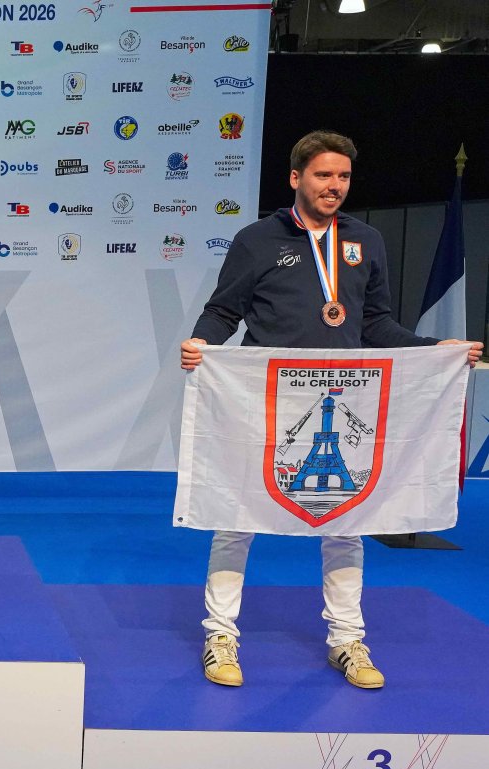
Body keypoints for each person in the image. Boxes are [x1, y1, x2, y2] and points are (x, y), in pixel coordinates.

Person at [180, 130, 481, 690]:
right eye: (323, 175)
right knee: (235, 518)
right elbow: (223, 311)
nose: (335, 186)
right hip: (265, 400)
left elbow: (375, 324)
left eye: (343, 176)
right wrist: (202, 344)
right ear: (296, 178)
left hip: (342, 395)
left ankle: (347, 639)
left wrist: (430, 348)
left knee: (346, 522)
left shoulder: (365, 240)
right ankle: (220, 635)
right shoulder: (256, 240)